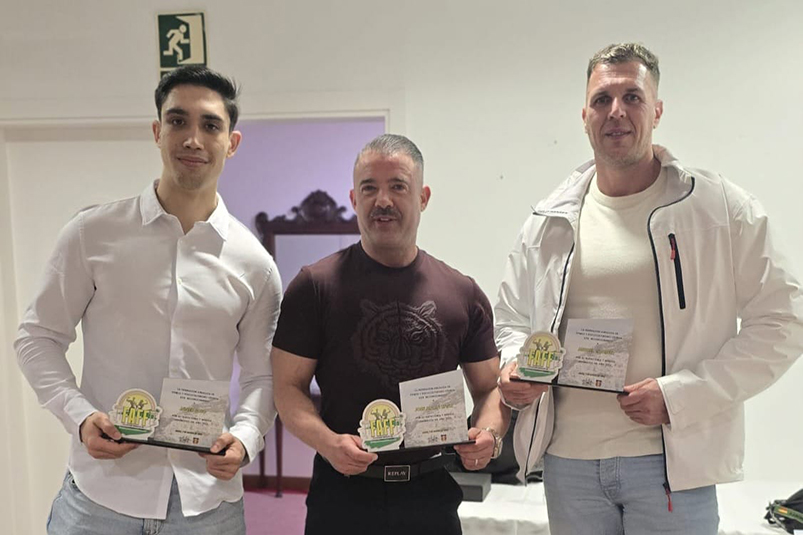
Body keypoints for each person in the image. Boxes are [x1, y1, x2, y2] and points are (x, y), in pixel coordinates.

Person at [495, 42, 803, 535]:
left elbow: (786, 321)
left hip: (671, 468)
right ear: (584, 117)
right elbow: (510, 319)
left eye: (632, 97)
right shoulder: (548, 219)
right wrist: (514, 365)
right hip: (568, 465)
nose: (616, 111)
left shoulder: (719, 208)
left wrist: (682, 396)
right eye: (602, 99)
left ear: (657, 111)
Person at [15, 65, 282, 534]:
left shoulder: (255, 264)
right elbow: (37, 338)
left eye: (210, 125)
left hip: (207, 506)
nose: (193, 139)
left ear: (232, 143)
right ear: (158, 132)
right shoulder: (91, 234)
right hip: (98, 499)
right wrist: (79, 417)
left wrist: (245, 437)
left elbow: (263, 375)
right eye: (178, 121)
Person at [272, 134, 509, 535]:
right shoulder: (314, 287)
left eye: (398, 186)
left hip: (431, 496)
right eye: (369, 188)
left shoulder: (462, 294)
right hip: (341, 496)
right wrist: (327, 442)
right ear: (354, 198)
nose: (382, 200)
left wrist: (489, 434)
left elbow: (489, 389)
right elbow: (286, 387)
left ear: (423, 197)